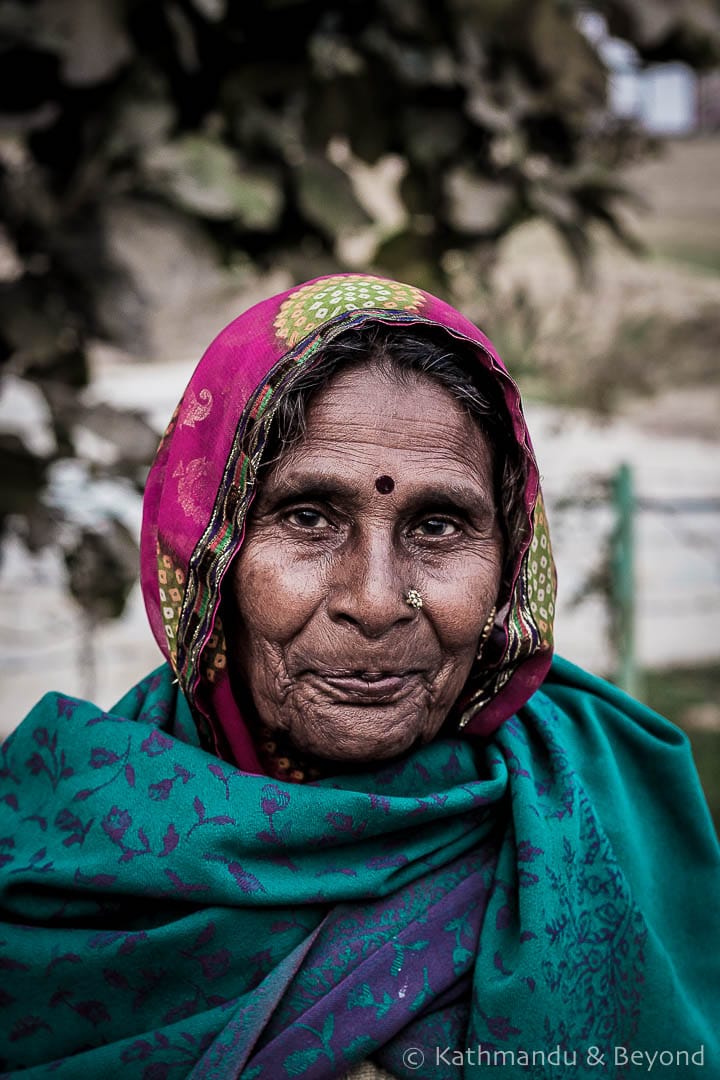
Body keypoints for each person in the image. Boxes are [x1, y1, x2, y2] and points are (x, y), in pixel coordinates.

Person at [0, 273, 717, 1080]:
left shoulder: (611, 796)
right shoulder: (56, 850)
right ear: (204, 550)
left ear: (510, 557)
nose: (376, 603)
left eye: (439, 524)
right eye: (306, 516)